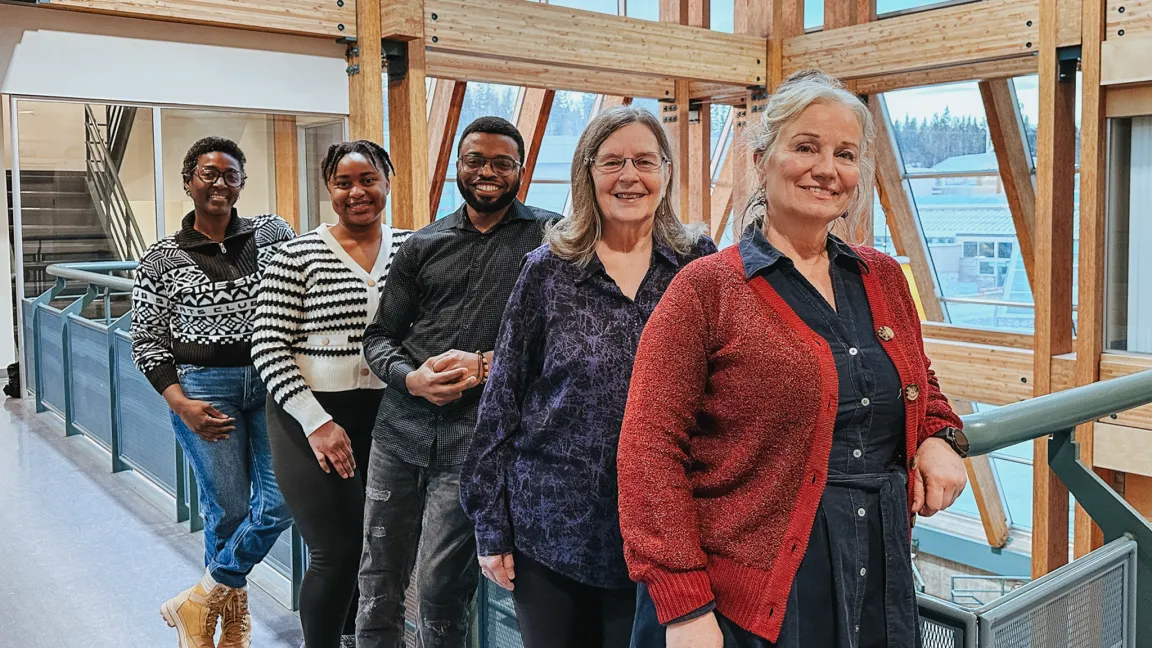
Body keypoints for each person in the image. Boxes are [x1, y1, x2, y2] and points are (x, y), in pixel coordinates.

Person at [617, 70, 970, 648]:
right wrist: (683, 605)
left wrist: (941, 436)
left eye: (845, 154)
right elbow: (647, 452)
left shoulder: (880, 276)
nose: (826, 168)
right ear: (762, 158)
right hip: (750, 597)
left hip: (875, 571)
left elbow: (916, 381)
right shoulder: (707, 288)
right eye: (805, 147)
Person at [459, 106, 717, 648]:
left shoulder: (697, 267)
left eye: (645, 161)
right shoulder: (548, 269)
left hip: (663, 532)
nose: (629, 176)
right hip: (552, 528)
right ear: (587, 173)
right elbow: (502, 398)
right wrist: (489, 525)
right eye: (612, 162)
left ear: (666, 172)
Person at [356, 116, 561, 648]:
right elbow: (379, 337)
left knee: (441, 586)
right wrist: (411, 378)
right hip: (400, 432)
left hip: (479, 442)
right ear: (457, 167)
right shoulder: (423, 245)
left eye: (501, 162)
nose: (487, 172)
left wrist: (489, 366)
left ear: (521, 171)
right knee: (376, 574)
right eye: (475, 160)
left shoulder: (552, 241)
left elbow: (566, 342)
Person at [131, 136, 296, 648]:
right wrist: (179, 403)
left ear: (242, 183)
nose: (220, 183)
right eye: (209, 173)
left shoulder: (273, 234)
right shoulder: (160, 258)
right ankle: (229, 629)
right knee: (226, 508)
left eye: (230, 174)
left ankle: (203, 598)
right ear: (189, 183)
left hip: (271, 377)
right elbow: (146, 340)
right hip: (205, 390)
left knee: (282, 499)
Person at [251, 140, 412, 648]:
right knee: (335, 551)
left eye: (368, 179)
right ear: (330, 189)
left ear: (388, 181)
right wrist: (316, 421)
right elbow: (268, 346)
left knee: (378, 550)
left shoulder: (413, 248)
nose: (356, 192)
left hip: (388, 415)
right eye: (343, 182)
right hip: (309, 418)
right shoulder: (293, 256)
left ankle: (354, 637)